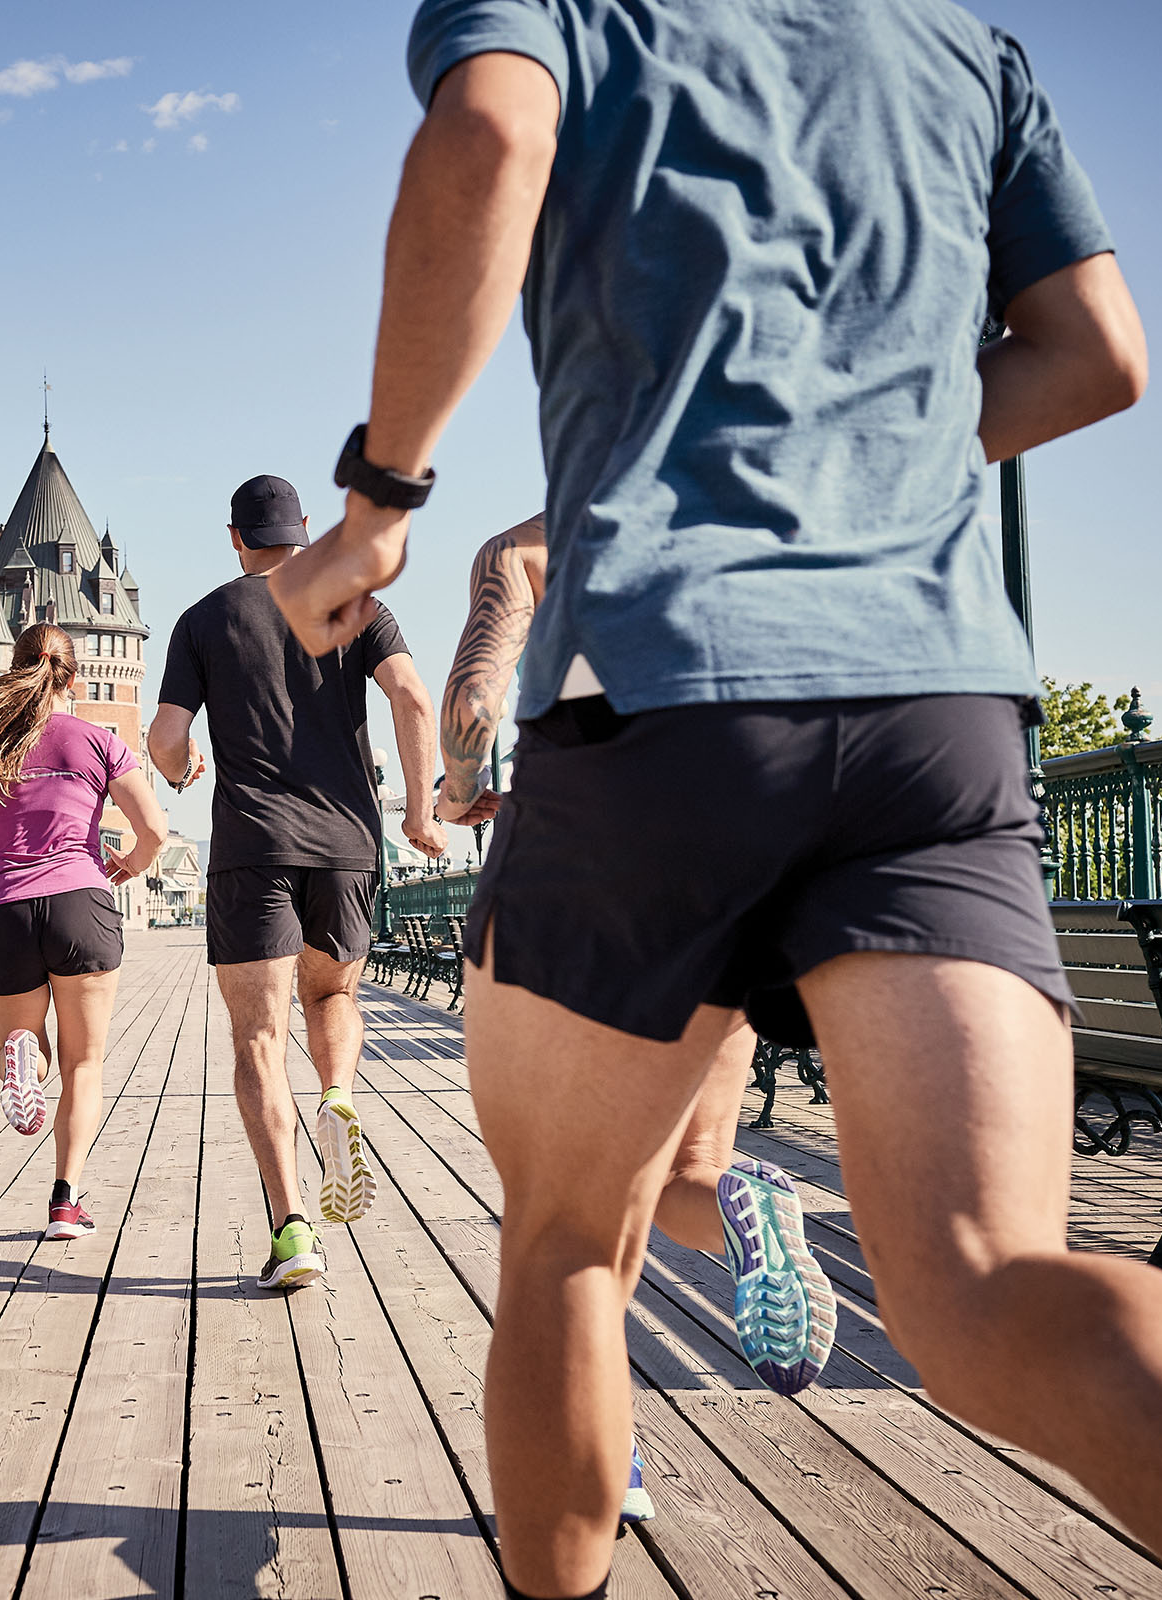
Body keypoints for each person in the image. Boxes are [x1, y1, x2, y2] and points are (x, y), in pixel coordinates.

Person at [267, 6, 1162, 1600]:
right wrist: (889, 471)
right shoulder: (961, 44)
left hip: (660, 688)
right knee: (990, 1282)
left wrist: (379, 501)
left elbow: (491, 140)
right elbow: (1100, 352)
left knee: (575, 1242)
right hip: (940, 709)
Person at [439, 513, 839, 1530]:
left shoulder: (527, 548)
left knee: (567, 1214)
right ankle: (749, 1199)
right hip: (735, 839)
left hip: (577, 845)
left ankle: (608, 1459)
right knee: (687, 1168)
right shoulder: (760, 508)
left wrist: (461, 784)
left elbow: (477, 699)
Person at [148, 474, 444, 1293]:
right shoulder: (356, 602)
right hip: (348, 844)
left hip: (253, 847)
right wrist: (420, 812)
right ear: (306, 532)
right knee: (331, 999)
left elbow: (165, 736)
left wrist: (181, 771)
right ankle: (339, 1095)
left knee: (257, 1040)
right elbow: (414, 698)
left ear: (236, 539)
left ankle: (291, 1231)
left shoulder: (206, 619)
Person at [0, 622, 171, 1241]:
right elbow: (155, 832)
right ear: (75, 680)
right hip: (80, 901)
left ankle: (24, 1059)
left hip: (3, 908)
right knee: (84, 1064)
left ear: (15, 670)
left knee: (28, 1048)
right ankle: (65, 1200)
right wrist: (124, 868)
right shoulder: (99, 741)